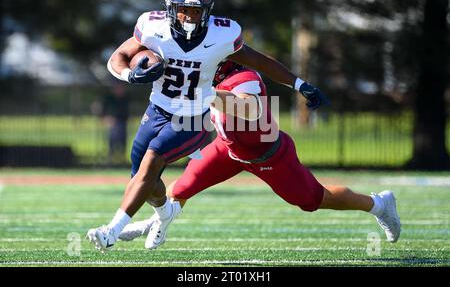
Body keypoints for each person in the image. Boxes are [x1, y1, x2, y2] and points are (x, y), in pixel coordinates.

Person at [86, 0, 328, 252]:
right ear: (171, 9)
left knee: (151, 163)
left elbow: (259, 61)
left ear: (206, 11)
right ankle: (166, 215)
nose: (188, 18)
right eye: (183, 10)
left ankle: (111, 230)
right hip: (157, 110)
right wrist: (129, 76)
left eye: (195, 11)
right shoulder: (152, 27)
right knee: (142, 177)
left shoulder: (222, 35)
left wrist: (299, 83)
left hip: (192, 118)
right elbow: (118, 57)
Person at [118, 61, 401, 249]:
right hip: (227, 150)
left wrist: (205, 93)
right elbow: (202, 120)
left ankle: (378, 204)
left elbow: (248, 107)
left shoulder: (245, 78)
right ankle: (155, 223)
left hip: (268, 156)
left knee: (314, 199)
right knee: (180, 189)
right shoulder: (204, 82)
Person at [101, 83, 129, 165]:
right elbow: (104, 110)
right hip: (112, 122)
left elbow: (126, 112)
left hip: (122, 122)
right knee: (112, 140)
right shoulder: (109, 98)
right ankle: (110, 157)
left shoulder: (125, 98)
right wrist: (106, 118)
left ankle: (121, 158)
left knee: (122, 139)